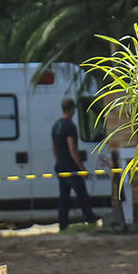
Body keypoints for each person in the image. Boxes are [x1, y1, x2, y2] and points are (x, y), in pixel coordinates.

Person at [52, 98, 98, 231]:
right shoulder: (70, 126)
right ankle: (90, 219)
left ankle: (63, 224)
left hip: (60, 166)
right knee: (82, 195)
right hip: (71, 167)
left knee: (64, 197)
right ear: (72, 109)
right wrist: (81, 168)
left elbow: (53, 148)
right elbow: (72, 148)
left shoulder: (56, 125)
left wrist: (59, 161)